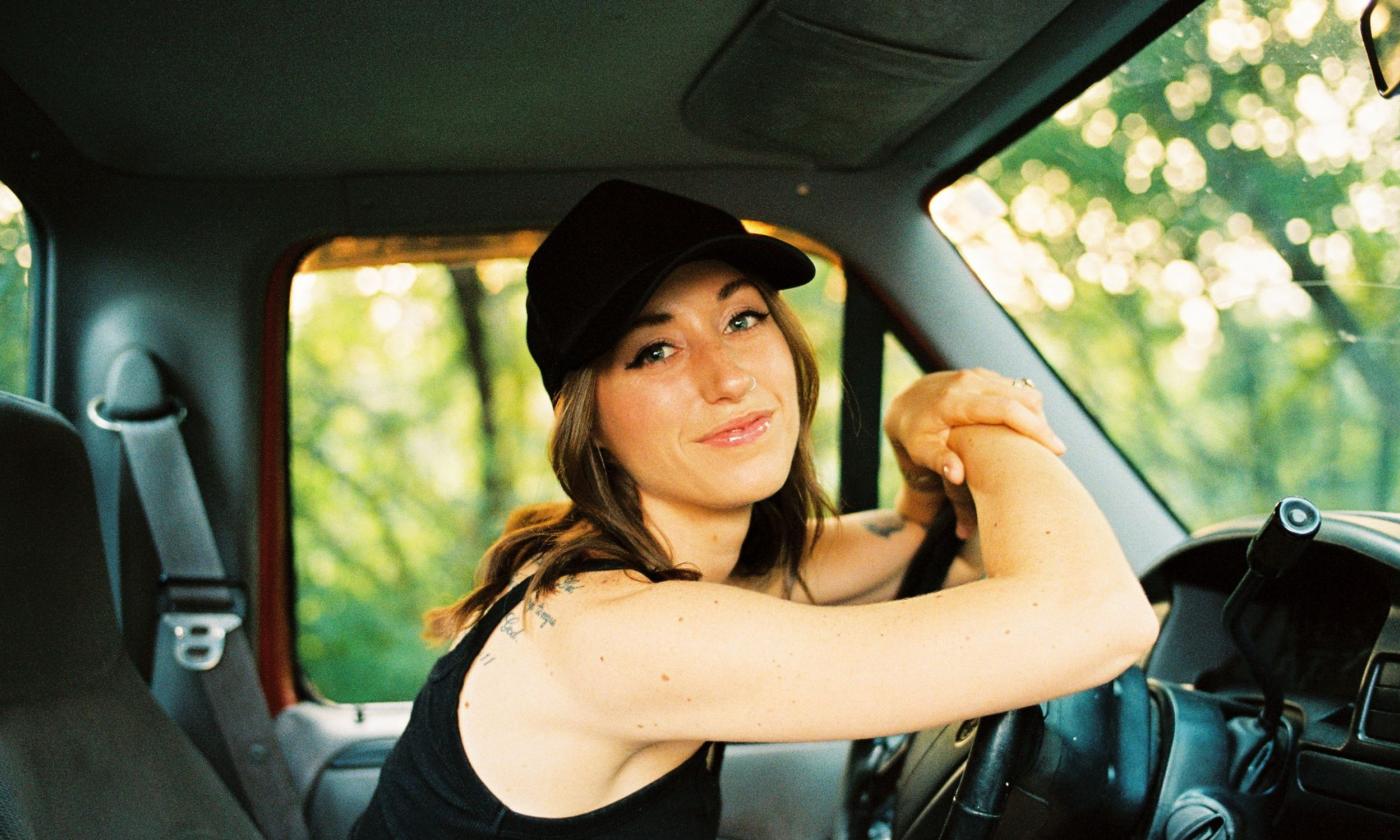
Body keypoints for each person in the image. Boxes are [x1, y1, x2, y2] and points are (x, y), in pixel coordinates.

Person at [350, 180, 1159, 839]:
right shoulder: (611, 635)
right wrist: (976, 417)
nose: (728, 376)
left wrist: (915, 424)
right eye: (655, 350)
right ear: (585, 421)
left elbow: (917, 540)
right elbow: (1098, 618)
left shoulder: (672, 574)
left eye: (743, 318)